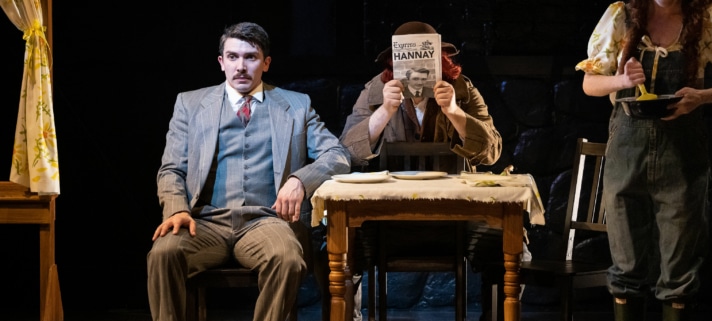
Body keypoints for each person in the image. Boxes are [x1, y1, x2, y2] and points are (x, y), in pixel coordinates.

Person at [147, 21, 351, 321]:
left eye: (250, 57)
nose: (241, 66)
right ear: (221, 62)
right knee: (163, 255)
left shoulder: (296, 106)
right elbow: (171, 169)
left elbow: (338, 155)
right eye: (233, 57)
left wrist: (300, 180)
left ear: (266, 63)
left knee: (287, 259)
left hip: (267, 221)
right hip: (204, 221)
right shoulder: (190, 104)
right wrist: (176, 209)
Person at [575, 1, 712, 320]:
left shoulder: (708, 17)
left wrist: (700, 97)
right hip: (628, 144)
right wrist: (621, 82)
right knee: (626, 269)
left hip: (682, 148)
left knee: (679, 273)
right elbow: (590, 83)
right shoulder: (622, 15)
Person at [339, 21, 504, 321]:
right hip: (388, 221)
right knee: (341, 244)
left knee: (504, 241)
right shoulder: (376, 91)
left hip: (455, 218)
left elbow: (492, 151)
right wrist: (384, 112)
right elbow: (347, 151)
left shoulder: (462, 90)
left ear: (441, 60)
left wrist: (455, 112)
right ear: (393, 62)